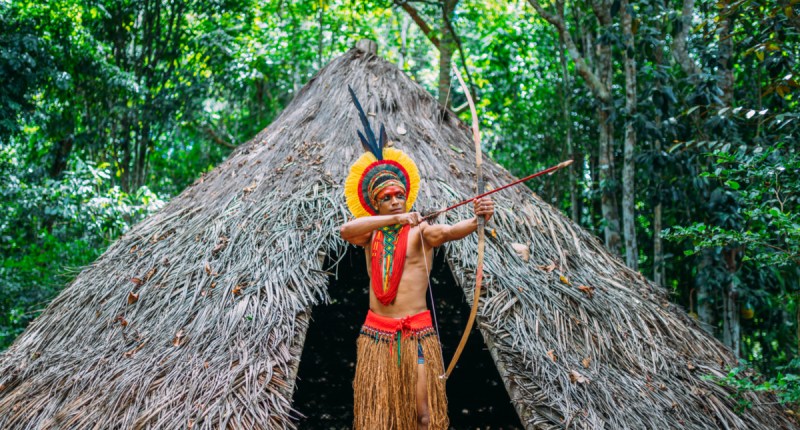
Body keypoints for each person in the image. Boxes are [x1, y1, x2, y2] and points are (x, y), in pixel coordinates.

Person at [340, 87, 494, 430]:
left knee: (424, 415)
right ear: (376, 204)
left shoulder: (422, 231)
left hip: (417, 335)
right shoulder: (371, 235)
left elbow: (452, 231)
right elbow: (346, 230)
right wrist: (392, 220)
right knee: (378, 420)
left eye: (400, 195)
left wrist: (478, 218)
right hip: (376, 336)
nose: (396, 200)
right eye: (387, 197)